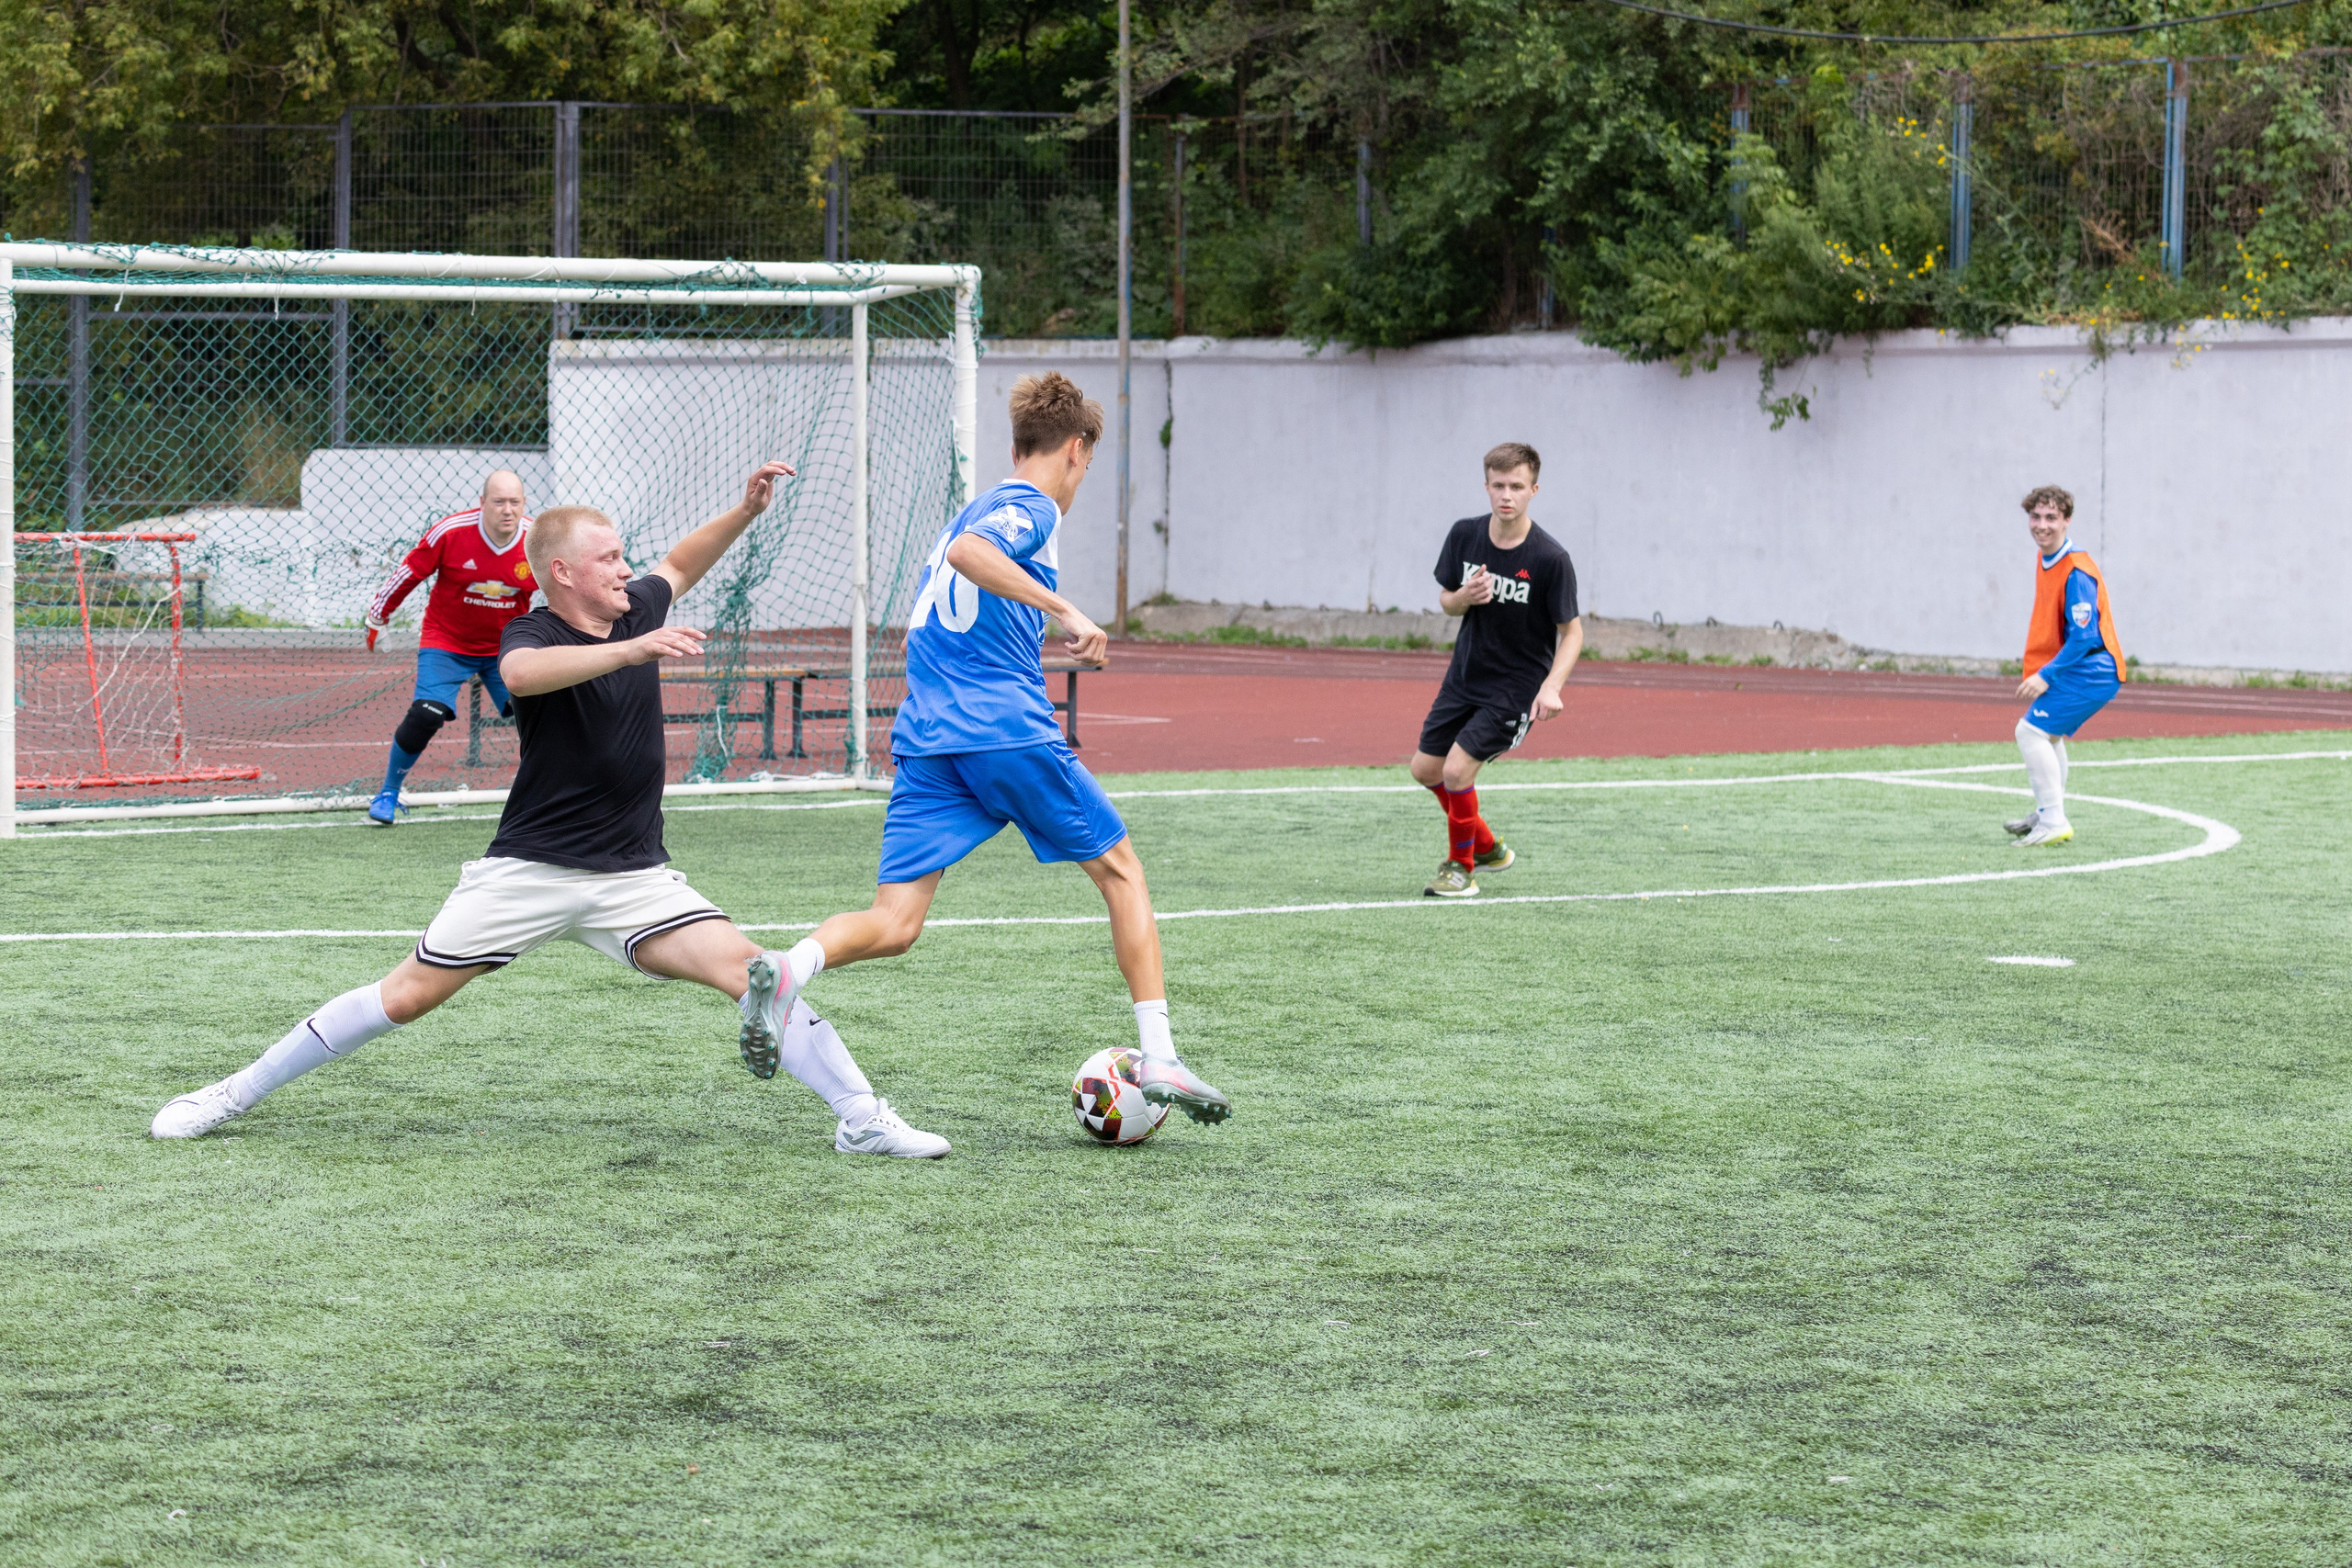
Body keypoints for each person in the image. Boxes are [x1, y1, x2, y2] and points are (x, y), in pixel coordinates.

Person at [152, 464, 953, 1159]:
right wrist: (633, 648)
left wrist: (745, 512)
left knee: (759, 975)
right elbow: (527, 676)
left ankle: (861, 1117)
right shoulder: (531, 628)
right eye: (608, 559)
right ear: (563, 572)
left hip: (635, 877)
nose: (626, 569)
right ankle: (230, 1094)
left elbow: (680, 560)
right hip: (530, 871)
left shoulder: (635, 602)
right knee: (405, 996)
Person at [735, 373, 1233, 1125]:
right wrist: (1065, 607)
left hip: (929, 740)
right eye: (1087, 465)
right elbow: (974, 553)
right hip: (1001, 728)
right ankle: (1159, 1050)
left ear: (1012, 445)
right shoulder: (1027, 508)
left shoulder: (973, 507)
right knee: (1122, 869)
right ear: (1075, 450)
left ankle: (790, 967)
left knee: (896, 921)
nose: (1081, 480)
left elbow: (964, 550)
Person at [1406, 443, 1583, 897]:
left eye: (1517, 487)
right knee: (1425, 769)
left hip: (1515, 688)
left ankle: (1460, 870)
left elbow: (1573, 632)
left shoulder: (1550, 559)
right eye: (1499, 485)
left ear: (1534, 490)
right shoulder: (1465, 535)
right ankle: (1485, 846)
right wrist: (1463, 597)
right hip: (1465, 675)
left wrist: (1552, 688)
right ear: (1486, 486)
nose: (1507, 495)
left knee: (1457, 770)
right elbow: (1447, 601)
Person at [362, 471, 538, 827]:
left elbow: (567, 586)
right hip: (447, 641)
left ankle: (557, 800)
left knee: (542, 718)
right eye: (499, 501)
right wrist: (377, 618)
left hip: (507, 646)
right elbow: (409, 572)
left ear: (524, 504)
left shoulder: (538, 539)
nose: (507, 510)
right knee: (426, 714)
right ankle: (388, 793)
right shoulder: (451, 532)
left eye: (515, 502)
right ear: (482, 503)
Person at [2007, 485, 2125, 848]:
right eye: (2036, 517)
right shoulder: (2048, 559)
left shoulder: (2076, 569)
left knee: (2029, 732)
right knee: (2048, 734)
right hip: (2082, 666)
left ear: (2067, 521)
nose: (2042, 525)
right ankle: (2047, 813)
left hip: (2093, 669)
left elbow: (2084, 637)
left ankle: (2054, 819)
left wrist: (2047, 675)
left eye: (2051, 518)